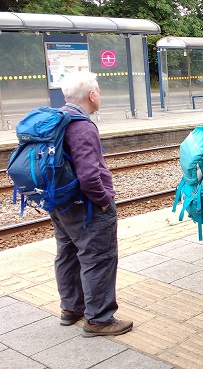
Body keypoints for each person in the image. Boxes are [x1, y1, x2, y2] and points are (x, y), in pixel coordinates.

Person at [52, 71, 133, 337]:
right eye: (98, 90)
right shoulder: (82, 125)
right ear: (91, 95)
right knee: (98, 257)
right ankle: (99, 319)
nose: (99, 94)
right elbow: (89, 175)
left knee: (67, 252)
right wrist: (103, 201)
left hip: (60, 203)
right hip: (84, 205)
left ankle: (71, 308)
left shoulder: (57, 118)